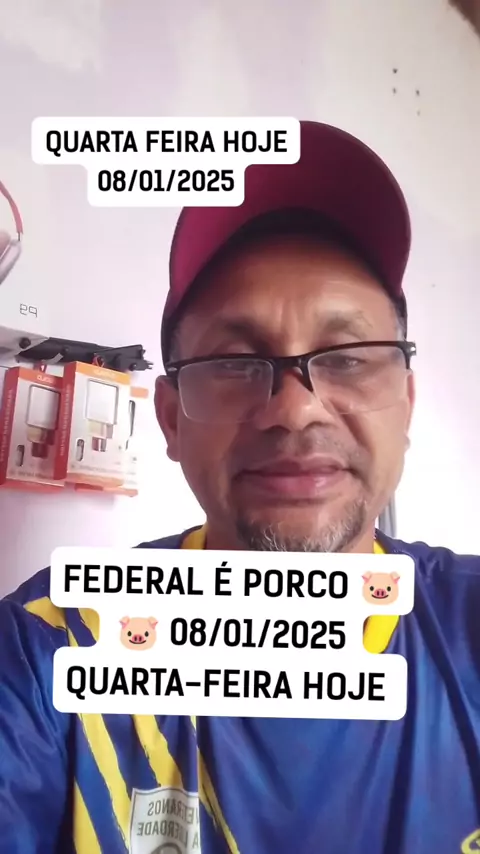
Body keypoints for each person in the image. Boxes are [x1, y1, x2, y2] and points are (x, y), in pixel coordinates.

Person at [0, 120, 479, 854]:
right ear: (170, 419)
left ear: (406, 404)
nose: (296, 410)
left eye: (349, 357)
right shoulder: (49, 649)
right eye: (233, 361)